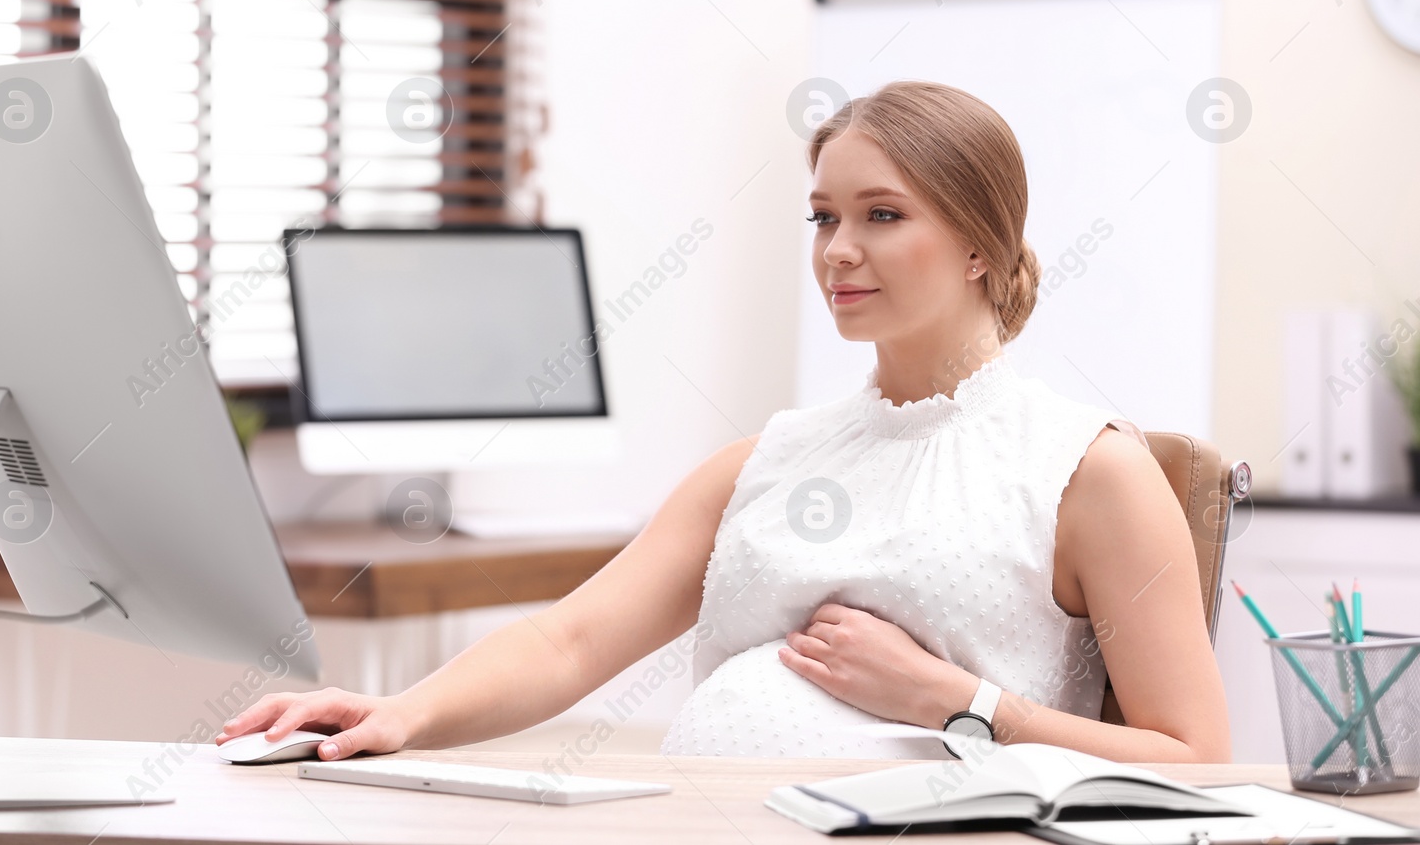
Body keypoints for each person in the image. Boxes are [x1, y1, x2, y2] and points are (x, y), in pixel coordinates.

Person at [216, 81, 1231, 763]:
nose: (837, 248)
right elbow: (570, 639)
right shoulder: (767, 460)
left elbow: (1199, 761)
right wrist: (398, 711)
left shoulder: (1088, 470)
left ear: (977, 243)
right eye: (822, 215)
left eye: (881, 214)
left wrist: (955, 700)